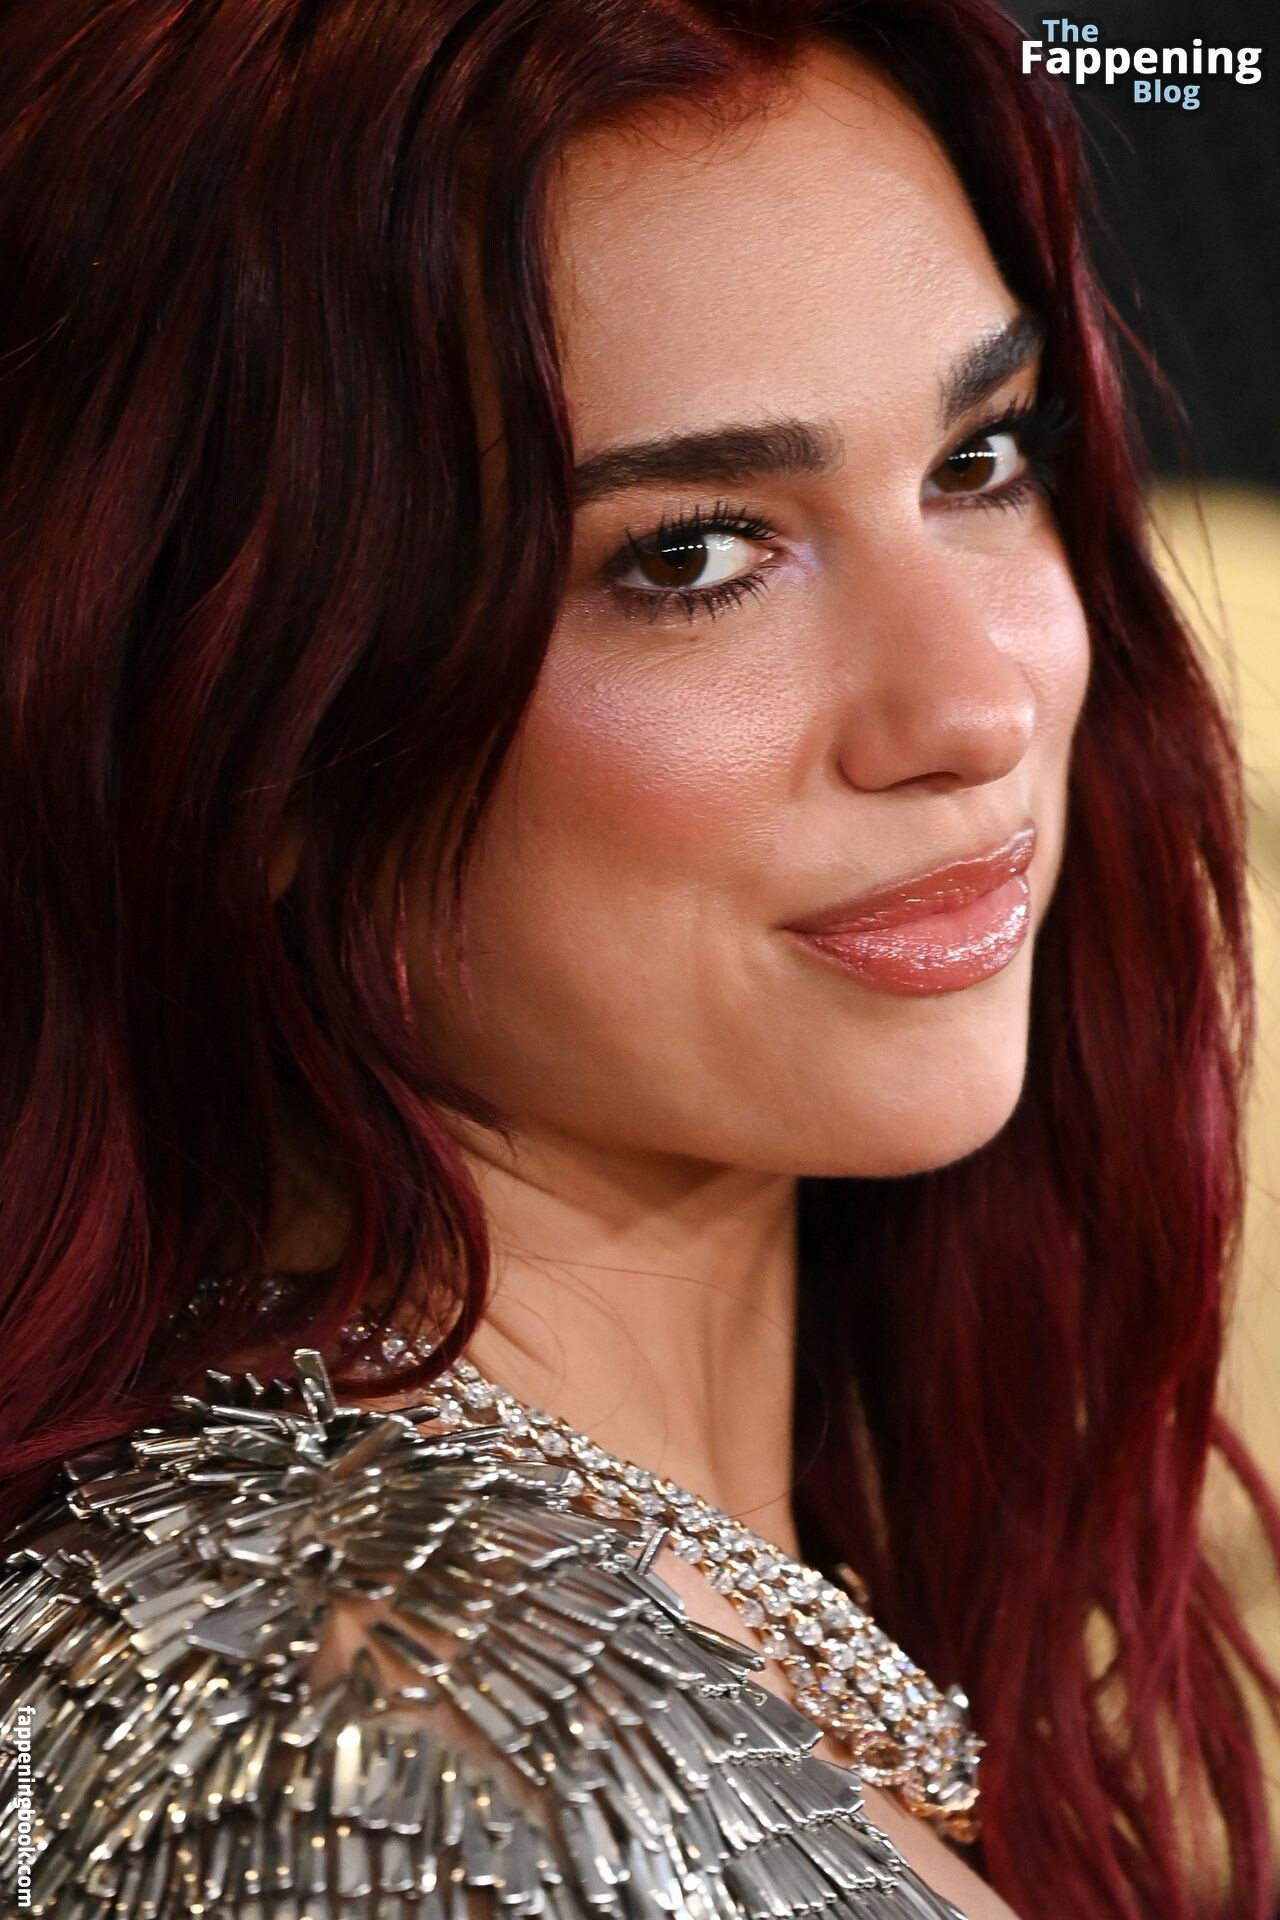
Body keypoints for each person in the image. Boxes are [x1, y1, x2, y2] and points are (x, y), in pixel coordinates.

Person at [0, 2, 1277, 1917]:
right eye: (690, 557)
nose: (972, 704)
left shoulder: (668, 1590)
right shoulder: (345, 1752)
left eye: (981, 459)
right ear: (231, 725)